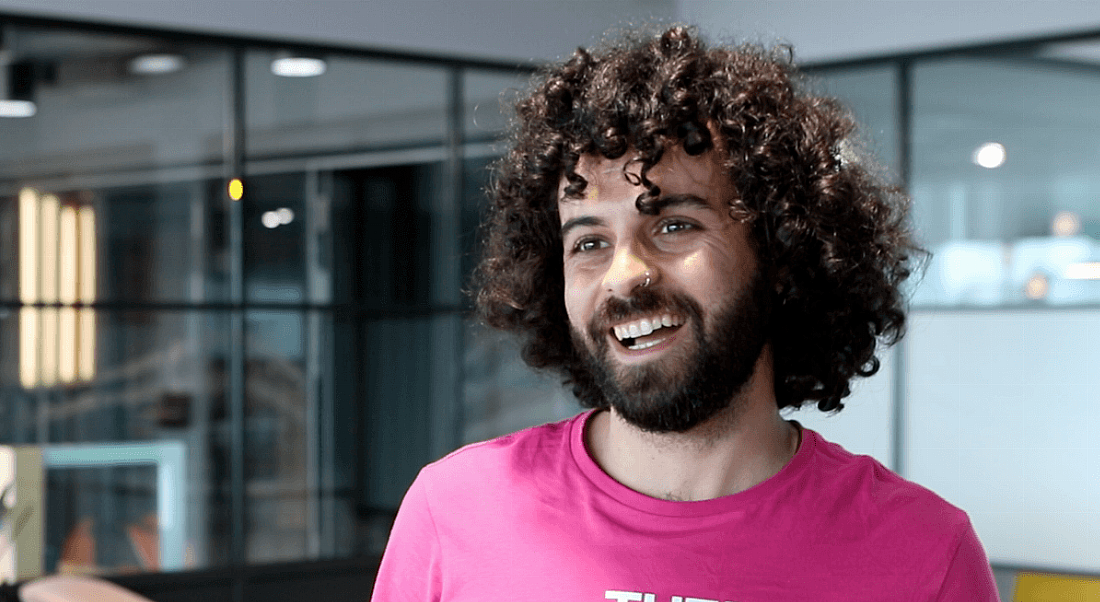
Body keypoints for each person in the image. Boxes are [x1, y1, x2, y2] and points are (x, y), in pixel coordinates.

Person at [371, 25, 999, 601]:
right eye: (588, 242)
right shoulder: (454, 513)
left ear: (781, 253)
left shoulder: (923, 555)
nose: (624, 275)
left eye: (673, 225)